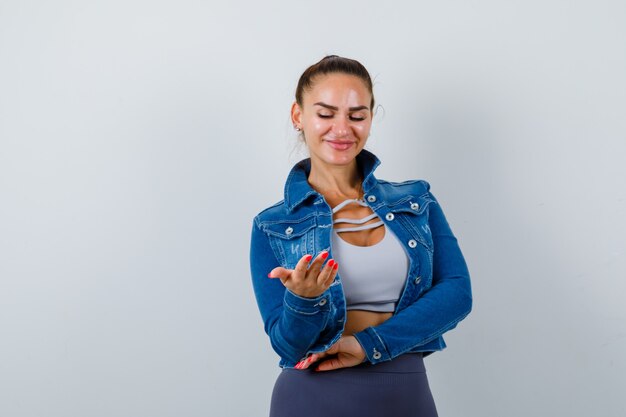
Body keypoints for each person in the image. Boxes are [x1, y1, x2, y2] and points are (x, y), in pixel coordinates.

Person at [249, 55, 472, 417]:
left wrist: (368, 345)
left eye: (356, 115)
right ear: (298, 116)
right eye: (325, 114)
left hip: (404, 389)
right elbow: (287, 346)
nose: (342, 129)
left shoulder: (415, 201)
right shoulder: (273, 225)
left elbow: (457, 294)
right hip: (311, 396)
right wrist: (304, 300)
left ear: (370, 117)